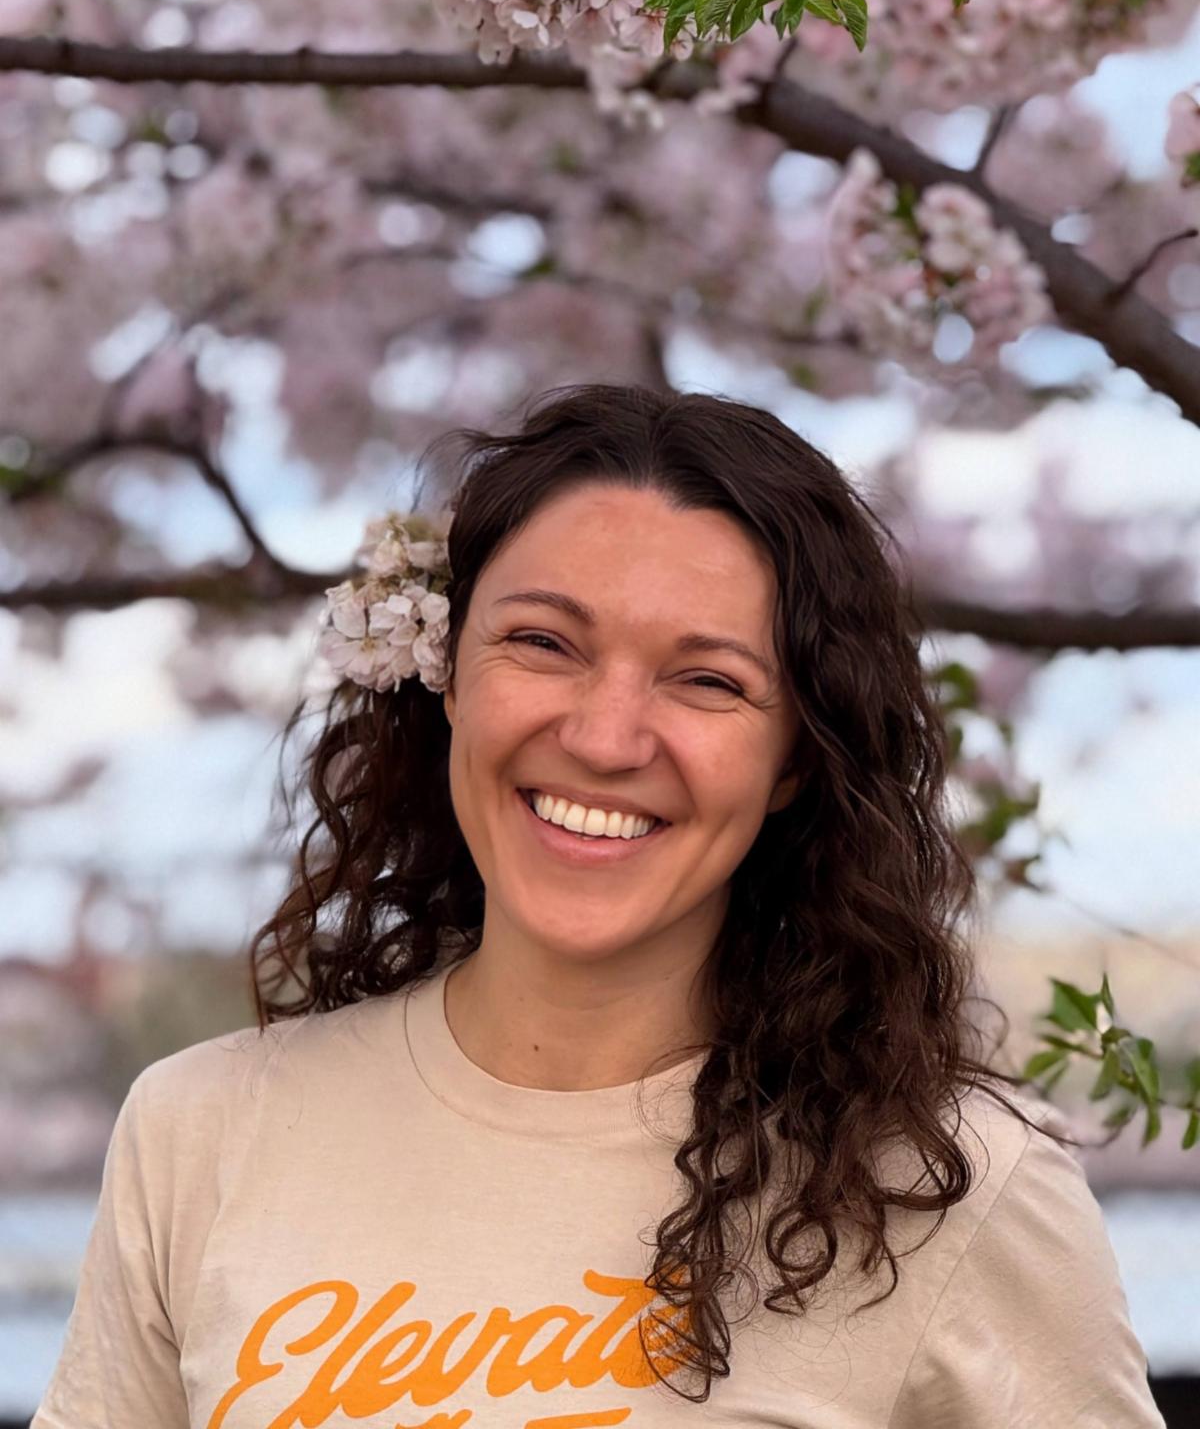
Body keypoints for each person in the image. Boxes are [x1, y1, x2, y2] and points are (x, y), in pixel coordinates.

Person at [33, 383, 1164, 1429]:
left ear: (793, 763)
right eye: (543, 642)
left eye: (708, 679)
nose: (605, 736)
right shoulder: (199, 1132)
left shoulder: (949, 1190)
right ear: (448, 676)